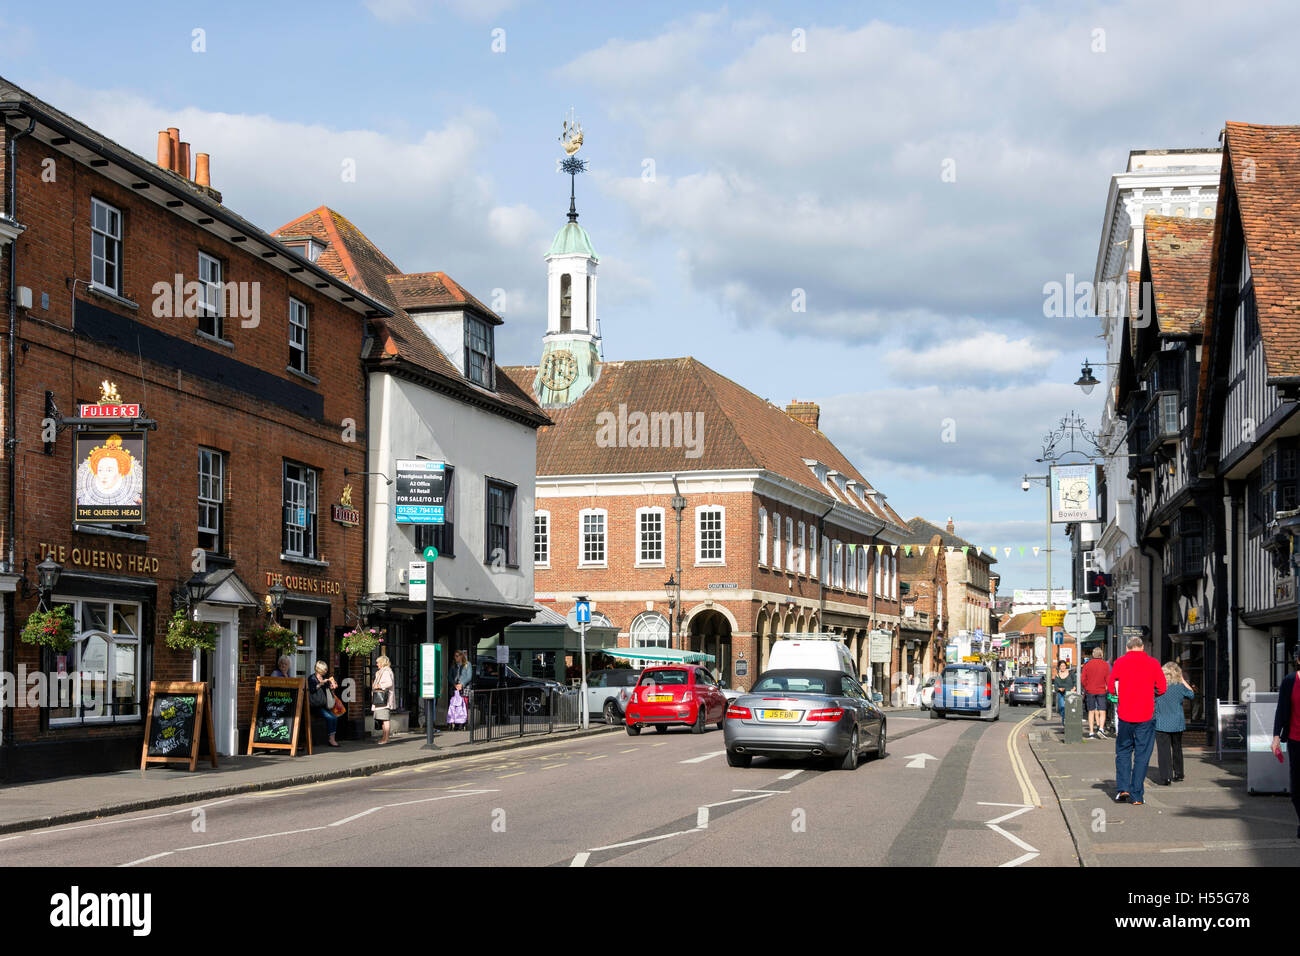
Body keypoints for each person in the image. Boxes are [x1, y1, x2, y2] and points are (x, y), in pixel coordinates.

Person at [1107, 635, 1167, 806]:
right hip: (1146, 715)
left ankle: (1123, 788)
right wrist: (1151, 695)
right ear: (1142, 647)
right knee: (1142, 755)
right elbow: (1162, 687)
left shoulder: (1119, 663)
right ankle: (1137, 796)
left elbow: (1111, 687)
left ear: (1127, 648)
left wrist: (1117, 698)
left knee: (1123, 751)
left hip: (1125, 715)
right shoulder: (1153, 663)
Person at [1271, 645, 1300, 839]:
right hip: (1296, 740)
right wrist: (1275, 737)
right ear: (1298, 660)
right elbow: (1281, 710)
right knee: (1297, 788)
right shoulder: (1290, 681)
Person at [1154, 661, 1194, 785]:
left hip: (1161, 722)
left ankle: (1166, 777)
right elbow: (1191, 694)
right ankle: (1179, 773)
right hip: (1177, 722)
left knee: (1163, 750)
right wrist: (1182, 680)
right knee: (1177, 748)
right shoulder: (1180, 687)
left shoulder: (1158, 686)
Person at [307, 660, 340, 747]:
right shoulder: (312, 678)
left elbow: (327, 691)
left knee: (335, 717)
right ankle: (331, 739)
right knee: (330, 718)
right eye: (325, 669)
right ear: (320, 669)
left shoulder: (324, 678)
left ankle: (332, 738)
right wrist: (320, 684)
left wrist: (332, 687)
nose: (326, 671)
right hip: (315, 705)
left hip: (324, 705)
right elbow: (312, 690)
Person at [1080, 648, 1111, 739]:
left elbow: (1083, 679)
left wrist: (1086, 687)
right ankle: (1101, 729)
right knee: (1102, 710)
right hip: (1101, 690)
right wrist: (1107, 687)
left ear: (1093, 655)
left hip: (1090, 690)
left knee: (1091, 711)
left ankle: (1091, 732)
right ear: (1101, 655)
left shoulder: (1087, 665)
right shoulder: (1105, 665)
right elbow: (1108, 678)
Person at [372, 654, 395, 745]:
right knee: (383, 719)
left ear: (382, 663)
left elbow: (389, 683)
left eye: (378, 662)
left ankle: (386, 738)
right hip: (381, 701)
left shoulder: (386, 671)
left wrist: (379, 686)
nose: (376, 664)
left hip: (384, 700)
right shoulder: (382, 671)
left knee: (385, 720)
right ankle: (384, 738)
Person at [447, 650, 473, 731]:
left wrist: (462, 684)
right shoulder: (453, 665)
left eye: (457, 655)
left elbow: (469, 676)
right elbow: (449, 676)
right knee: (454, 706)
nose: (456, 657)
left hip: (464, 688)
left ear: (462, 656)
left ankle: (462, 724)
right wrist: (454, 684)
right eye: (455, 656)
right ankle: (455, 723)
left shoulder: (467, 664)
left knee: (463, 706)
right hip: (455, 688)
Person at [1053, 661, 1073, 729]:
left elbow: (1075, 681)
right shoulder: (1057, 675)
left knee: (1069, 709)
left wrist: (1074, 688)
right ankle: (1064, 722)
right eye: (1061, 666)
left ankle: (1068, 723)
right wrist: (1059, 688)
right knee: (1062, 708)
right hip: (1061, 693)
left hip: (1069, 693)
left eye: (1064, 665)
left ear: (1066, 666)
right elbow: (1055, 686)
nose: (1063, 667)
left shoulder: (1070, 673)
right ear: (1059, 667)